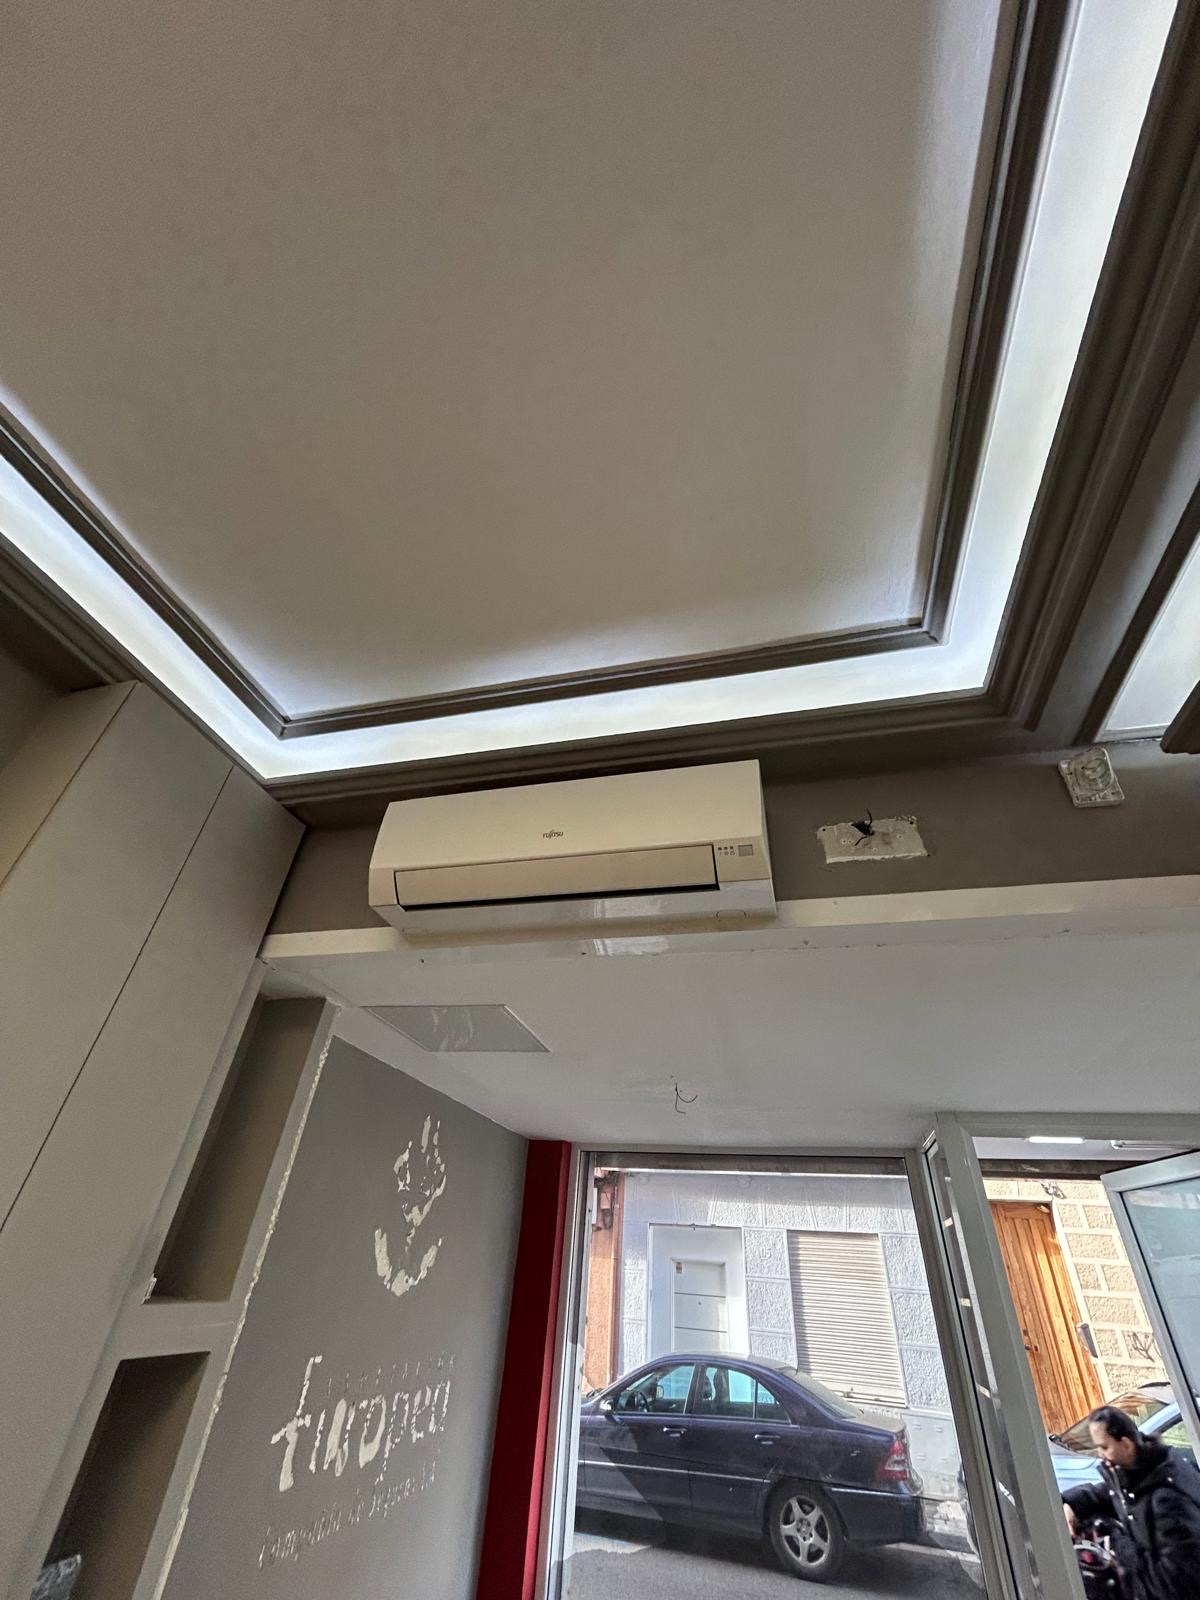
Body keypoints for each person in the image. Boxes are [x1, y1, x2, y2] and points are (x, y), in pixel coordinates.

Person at [1062, 1405, 1200, 1600]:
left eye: (1104, 1447)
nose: (1100, 1454)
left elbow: (1174, 1583)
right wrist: (1070, 1503)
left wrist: (1119, 1546)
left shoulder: (1168, 1501)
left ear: (1126, 1444)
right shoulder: (1136, 1472)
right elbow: (1109, 1492)